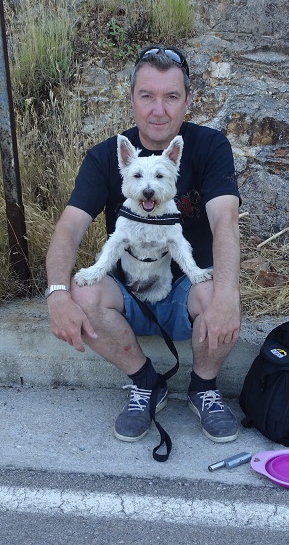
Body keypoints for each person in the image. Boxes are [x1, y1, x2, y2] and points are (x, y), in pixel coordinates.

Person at [45, 45, 242, 444]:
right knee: (83, 293)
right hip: (128, 288)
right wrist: (56, 293)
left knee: (217, 293)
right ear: (132, 98)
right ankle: (146, 382)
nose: (159, 109)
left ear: (188, 100)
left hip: (185, 290)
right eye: (147, 95)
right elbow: (69, 229)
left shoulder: (209, 147)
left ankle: (203, 387)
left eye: (171, 97)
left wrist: (228, 293)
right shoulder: (104, 157)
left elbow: (226, 219)